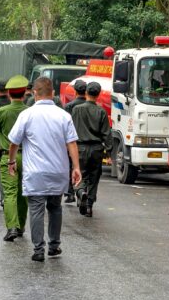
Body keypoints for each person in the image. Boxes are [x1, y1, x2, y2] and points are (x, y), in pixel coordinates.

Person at [7, 77, 81, 262]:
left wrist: (11, 161)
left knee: (36, 210)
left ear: (34, 93)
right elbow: (72, 143)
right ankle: (54, 246)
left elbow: (14, 142)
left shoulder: (27, 115)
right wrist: (76, 167)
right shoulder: (64, 115)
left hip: (35, 172)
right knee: (55, 207)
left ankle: (38, 249)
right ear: (53, 93)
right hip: (58, 171)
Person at [0, 76, 30, 242]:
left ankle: (12, 227)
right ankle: (21, 226)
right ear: (25, 93)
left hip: (8, 156)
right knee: (23, 193)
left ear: (9, 93)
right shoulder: (30, 112)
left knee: (9, 193)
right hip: (28, 157)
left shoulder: (1, 112)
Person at [72, 82, 112, 217]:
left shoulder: (77, 109)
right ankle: (89, 205)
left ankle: (80, 191)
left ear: (86, 93)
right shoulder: (101, 111)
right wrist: (109, 152)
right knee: (94, 177)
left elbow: (71, 130)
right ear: (98, 94)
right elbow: (106, 134)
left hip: (80, 147)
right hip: (96, 149)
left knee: (79, 174)